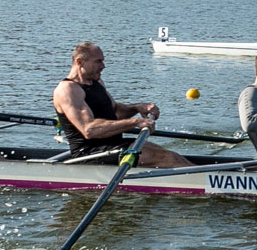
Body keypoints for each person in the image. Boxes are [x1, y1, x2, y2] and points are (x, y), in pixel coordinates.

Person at [52, 41, 192, 168]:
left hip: (112, 146)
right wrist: (135, 122)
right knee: (168, 158)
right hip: (89, 154)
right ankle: (203, 185)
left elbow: (116, 112)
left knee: (171, 154)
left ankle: (201, 178)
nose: (103, 66)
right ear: (80, 61)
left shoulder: (97, 82)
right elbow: (89, 130)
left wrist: (137, 108)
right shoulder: (68, 89)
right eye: (98, 61)